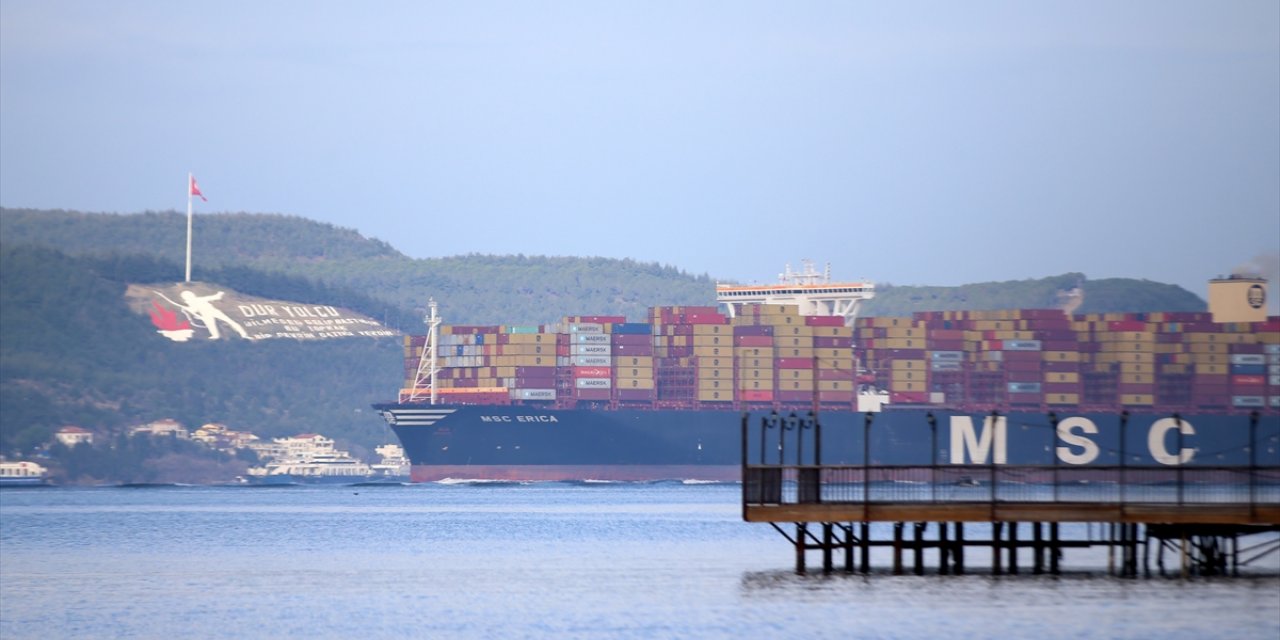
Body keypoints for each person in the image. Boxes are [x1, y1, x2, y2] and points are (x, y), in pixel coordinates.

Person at [179, 290, 250, 340]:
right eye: (187, 296)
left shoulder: (198, 299)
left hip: (213, 311)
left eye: (190, 294)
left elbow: (214, 297)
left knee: (230, 322)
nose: (190, 296)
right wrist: (187, 309)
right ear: (185, 297)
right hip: (205, 314)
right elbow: (194, 310)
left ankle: (244, 335)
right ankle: (215, 336)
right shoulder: (191, 302)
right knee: (211, 326)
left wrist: (219, 294)